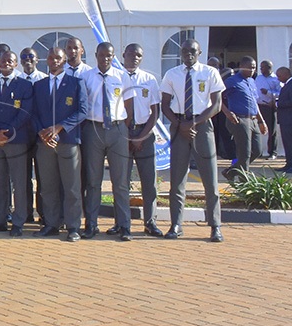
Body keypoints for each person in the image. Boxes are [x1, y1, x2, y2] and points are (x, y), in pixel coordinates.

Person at [161, 39, 225, 242]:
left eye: (192, 51)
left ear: (200, 52)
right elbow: (164, 106)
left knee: (210, 180)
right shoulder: (172, 74)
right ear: (181, 53)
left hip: (202, 127)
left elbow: (216, 105)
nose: (188, 54)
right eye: (185, 51)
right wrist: (181, 125)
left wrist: (194, 123)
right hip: (179, 126)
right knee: (177, 180)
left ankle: (215, 226)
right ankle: (176, 224)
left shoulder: (210, 73)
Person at [78, 42, 133, 240]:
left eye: (109, 55)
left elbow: (129, 105)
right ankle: (91, 225)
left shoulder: (121, 76)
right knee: (93, 181)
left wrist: (123, 129)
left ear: (113, 55)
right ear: (96, 55)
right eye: (102, 55)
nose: (105, 58)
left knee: (120, 182)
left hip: (117, 130)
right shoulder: (86, 77)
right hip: (93, 130)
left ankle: (124, 226)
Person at [31, 48, 87, 242]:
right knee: (48, 186)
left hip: (68, 142)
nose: (54, 61)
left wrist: (59, 128)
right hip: (45, 143)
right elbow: (33, 113)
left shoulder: (76, 83)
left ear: (65, 61)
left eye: (58, 58)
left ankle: (73, 227)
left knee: (72, 186)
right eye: (51, 57)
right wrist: (42, 132)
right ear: (46, 60)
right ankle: (52, 224)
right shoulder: (39, 85)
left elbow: (82, 111)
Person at [0, 50, 33, 236]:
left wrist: (7, 133)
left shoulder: (25, 85)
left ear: (16, 64)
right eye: (2, 60)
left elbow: (25, 113)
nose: (5, 63)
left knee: (18, 183)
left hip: (16, 140)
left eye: (9, 61)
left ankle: (18, 222)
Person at [121, 43, 164, 237]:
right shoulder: (116, 76)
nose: (135, 58)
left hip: (145, 134)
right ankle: (122, 223)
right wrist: (127, 136)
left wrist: (141, 137)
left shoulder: (149, 79)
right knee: (121, 181)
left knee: (149, 181)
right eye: (131, 54)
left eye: (139, 55)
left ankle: (150, 222)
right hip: (122, 134)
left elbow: (155, 113)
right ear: (124, 55)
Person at [221, 56, 267, 182]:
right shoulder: (232, 81)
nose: (252, 70)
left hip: (253, 119)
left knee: (257, 150)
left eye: (254, 68)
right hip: (238, 120)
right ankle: (244, 184)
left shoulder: (252, 81)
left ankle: (231, 171)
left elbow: (254, 102)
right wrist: (227, 113)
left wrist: (261, 121)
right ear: (241, 66)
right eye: (250, 67)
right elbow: (216, 98)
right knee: (244, 153)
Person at [19, 47, 46, 224]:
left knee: (43, 176)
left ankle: (44, 213)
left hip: (41, 135)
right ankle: (25, 212)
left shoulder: (44, 79)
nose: (27, 60)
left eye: (31, 57)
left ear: (37, 60)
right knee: (23, 177)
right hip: (21, 135)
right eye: (24, 57)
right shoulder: (17, 80)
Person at [255, 60, 281, 159]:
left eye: (263, 67)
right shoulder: (258, 78)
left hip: (269, 107)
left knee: (271, 130)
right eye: (260, 67)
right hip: (258, 106)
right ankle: (258, 151)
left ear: (269, 67)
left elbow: (280, 93)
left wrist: (269, 93)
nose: (261, 69)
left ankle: (272, 152)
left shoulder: (276, 79)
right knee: (257, 129)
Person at [276, 67, 292, 173]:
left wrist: (278, 103)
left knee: (289, 142)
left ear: (286, 74)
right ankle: (288, 163)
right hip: (285, 120)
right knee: (287, 143)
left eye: (279, 76)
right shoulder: (287, 84)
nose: (278, 78)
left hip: (289, 120)